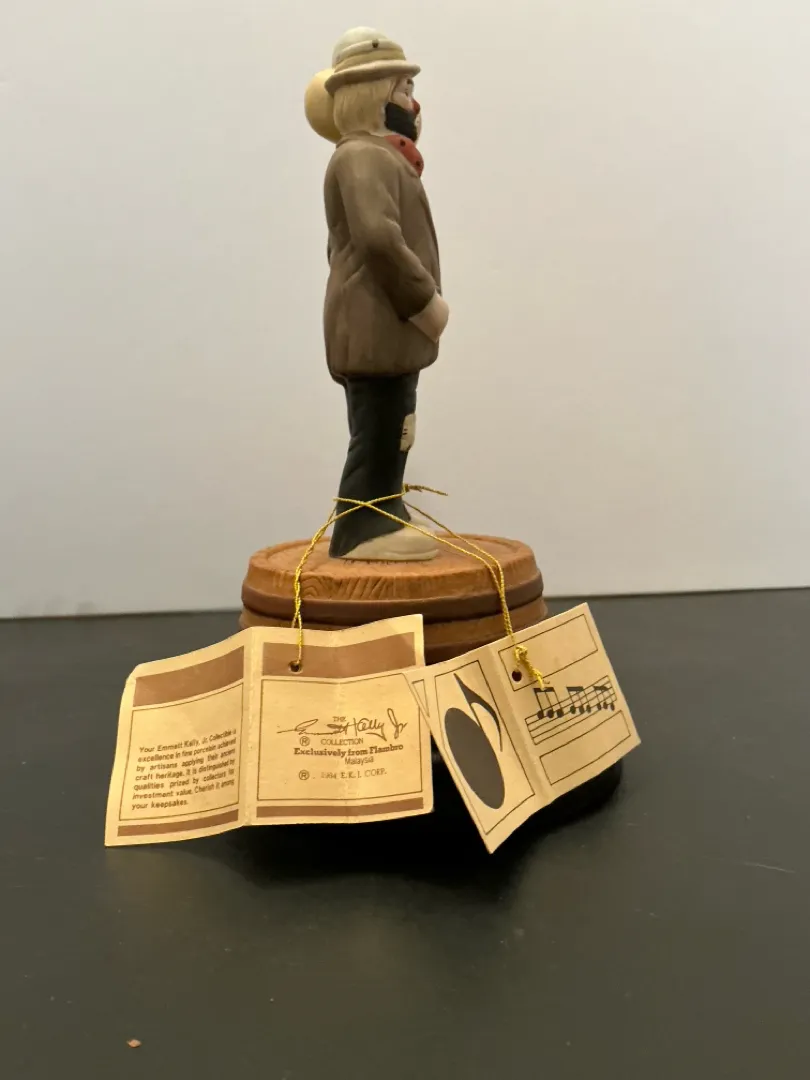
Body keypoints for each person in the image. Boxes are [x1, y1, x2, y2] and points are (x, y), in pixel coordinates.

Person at [305, 28, 449, 560]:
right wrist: (425, 303)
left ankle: (385, 511)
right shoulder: (362, 157)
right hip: (378, 322)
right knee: (380, 426)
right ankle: (361, 527)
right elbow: (378, 239)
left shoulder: (376, 156)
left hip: (382, 325)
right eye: (404, 89)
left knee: (394, 425)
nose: (413, 103)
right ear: (375, 95)